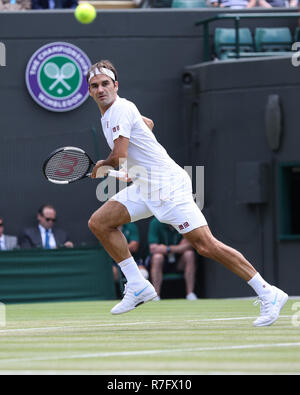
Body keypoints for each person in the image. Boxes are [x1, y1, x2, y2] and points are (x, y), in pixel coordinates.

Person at [87, 59, 288, 327]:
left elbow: (119, 155)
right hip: (146, 187)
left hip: (168, 187)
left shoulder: (120, 109)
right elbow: (148, 124)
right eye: (94, 86)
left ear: (116, 85)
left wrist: (103, 166)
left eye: (105, 84)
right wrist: (137, 169)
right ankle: (137, 285)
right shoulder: (116, 112)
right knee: (100, 222)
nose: (100, 89)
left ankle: (268, 292)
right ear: (89, 91)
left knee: (206, 245)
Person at [148, 218, 197, 300]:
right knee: (157, 257)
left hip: (179, 261)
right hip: (163, 262)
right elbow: (153, 248)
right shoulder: (155, 222)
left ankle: (190, 294)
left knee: (189, 254)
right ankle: (156, 295)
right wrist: (179, 248)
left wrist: (167, 249)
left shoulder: (184, 222)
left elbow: (189, 245)